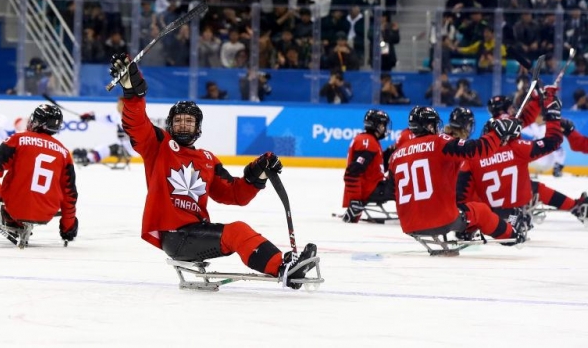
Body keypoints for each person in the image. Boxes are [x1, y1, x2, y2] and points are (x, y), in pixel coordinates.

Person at [109, 53, 317, 289]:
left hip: (197, 231)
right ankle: (284, 268)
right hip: (175, 236)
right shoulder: (158, 146)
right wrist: (133, 93)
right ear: (170, 125)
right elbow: (136, 124)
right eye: (178, 121)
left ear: (198, 127)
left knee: (238, 229)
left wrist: (259, 171)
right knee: (236, 231)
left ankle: (285, 263)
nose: (183, 125)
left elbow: (234, 194)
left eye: (189, 121)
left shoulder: (207, 160)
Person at [387, 106, 526, 245]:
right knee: (481, 211)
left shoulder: (396, 155)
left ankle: (467, 229)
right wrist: (497, 134)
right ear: (430, 126)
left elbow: (393, 191)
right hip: (441, 220)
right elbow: (477, 149)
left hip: (408, 224)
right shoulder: (439, 142)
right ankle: (512, 235)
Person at [457, 94, 582, 225]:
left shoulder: (475, 153)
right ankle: (574, 206)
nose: (513, 110)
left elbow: (462, 193)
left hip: (488, 212)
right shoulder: (516, 144)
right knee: (534, 187)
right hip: (515, 208)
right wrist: (548, 109)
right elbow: (551, 139)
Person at [0, 104, 78, 246]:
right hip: (47, 213)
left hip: (15, 207)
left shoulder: (18, 139)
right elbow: (70, 195)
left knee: (11, 183)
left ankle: (13, 220)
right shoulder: (64, 153)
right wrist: (68, 227)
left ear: (38, 122)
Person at [341, 109, 394, 223]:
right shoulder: (367, 142)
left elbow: (373, 169)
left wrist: (388, 153)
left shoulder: (368, 140)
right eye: (383, 125)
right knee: (405, 185)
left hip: (371, 187)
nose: (385, 128)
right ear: (378, 126)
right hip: (372, 189)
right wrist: (355, 201)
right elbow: (353, 172)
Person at [72, 98, 133, 167]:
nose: (117, 106)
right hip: (122, 146)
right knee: (103, 148)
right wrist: (91, 116)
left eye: (119, 104)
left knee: (105, 149)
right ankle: (88, 158)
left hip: (133, 148)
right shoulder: (117, 116)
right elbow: (105, 118)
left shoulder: (134, 117)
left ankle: (88, 158)